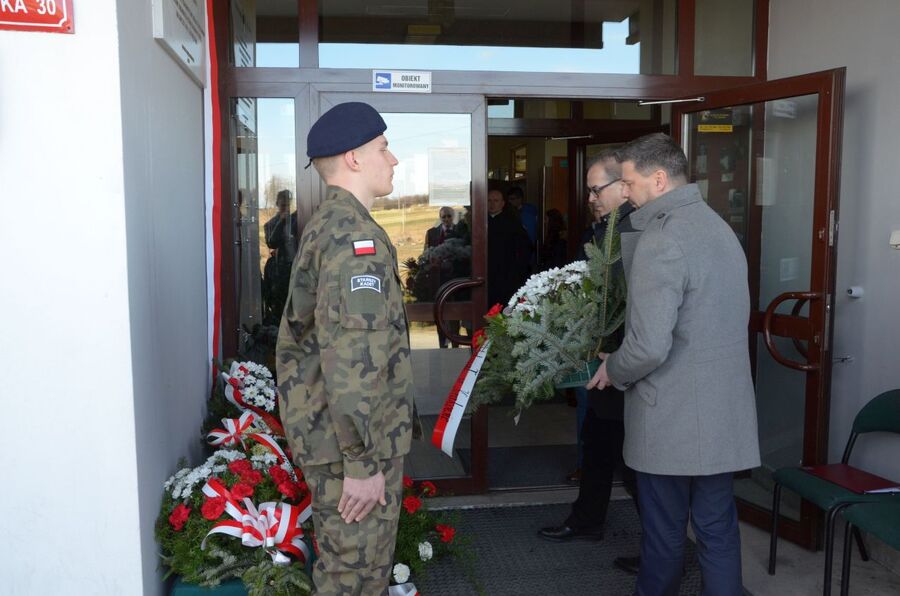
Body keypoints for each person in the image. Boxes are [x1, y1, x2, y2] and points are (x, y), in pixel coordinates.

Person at [587, 133, 760, 596]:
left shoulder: (661, 238)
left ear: (658, 179)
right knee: (717, 529)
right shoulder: (718, 227)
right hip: (721, 413)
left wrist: (614, 368)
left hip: (673, 415)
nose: (625, 192)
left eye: (629, 181)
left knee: (664, 535)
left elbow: (647, 347)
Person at [276, 102, 414, 595]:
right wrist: (362, 463)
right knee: (354, 578)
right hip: (349, 452)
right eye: (383, 148)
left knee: (345, 571)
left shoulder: (328, 225)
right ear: (354, 158)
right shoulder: (355, 238)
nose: (393, 159)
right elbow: (354, 361)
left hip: (334, 443)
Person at [539, 152, 639, 562]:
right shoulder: (604, 231)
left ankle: (661, 551)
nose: (591, 198)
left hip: (627, 367)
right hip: (603, 364)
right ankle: (586, 521)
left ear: (623, 187)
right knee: (597, 444)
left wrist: (617, 356)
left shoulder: (636, 234)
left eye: (597, 189)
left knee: (634, 466)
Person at [487, 187, 531, 309]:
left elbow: (524, 251)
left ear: (502, 203)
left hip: (506, 276)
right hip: (486, 276)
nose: (492, 204)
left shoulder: (512, 223)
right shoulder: (480, 222)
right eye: (489, 200)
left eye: (496, 201)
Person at [424, 206, 461, 347]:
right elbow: (426, 252)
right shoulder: (432, 233)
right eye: (443, 217)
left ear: (453, 217)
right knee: (440, 312)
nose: (446, 219)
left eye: (449, 216)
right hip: (438, 279)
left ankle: (456, 343)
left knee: (454, 313)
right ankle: (442, 343)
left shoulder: (459, 232)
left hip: (454, 278)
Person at [262, 189, 298, 325]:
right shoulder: (271, 225)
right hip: (281, 272)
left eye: (288, 205)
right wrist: (282, 222)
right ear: (277, 204)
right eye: (283, 205)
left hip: (296, 268)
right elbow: (271, 242)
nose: (286, 208)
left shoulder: (296, 219)